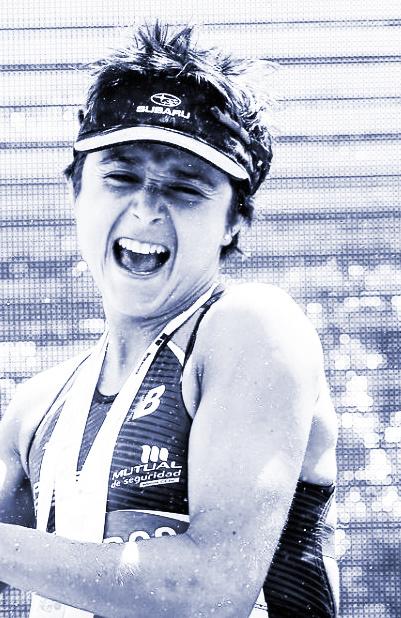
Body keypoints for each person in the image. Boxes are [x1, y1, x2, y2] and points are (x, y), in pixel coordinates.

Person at [0, 22, 338, 618]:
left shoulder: (251, 327)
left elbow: (212, 590)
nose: (147, 208)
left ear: (235, 220)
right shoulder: (37, 407)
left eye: (185, 188)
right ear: (76, 190)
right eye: (121, 176)